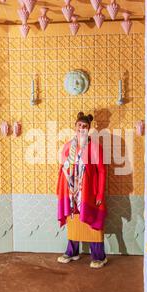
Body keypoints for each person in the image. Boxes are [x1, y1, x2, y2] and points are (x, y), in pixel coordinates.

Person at [56, 112, 108, 268]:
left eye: (85, 126)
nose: (81, 128)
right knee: (73, 221)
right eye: (79, 125)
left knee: (93, 221)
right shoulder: (67, 146)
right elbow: (62, 169)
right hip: (72, 193)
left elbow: (102, 171)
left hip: (89, 193)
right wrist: (61, 190)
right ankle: (72, 252)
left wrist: (100, 193)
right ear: (75, 127)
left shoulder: (94, 147)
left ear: (89, 129)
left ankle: (99, 256)